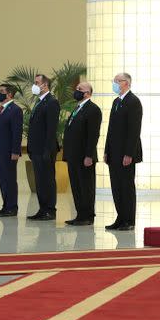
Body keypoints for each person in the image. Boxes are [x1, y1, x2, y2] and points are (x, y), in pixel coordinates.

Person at [104, 73, 143, 231]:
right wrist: (107, 150)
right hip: (114, 152)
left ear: (126, 83)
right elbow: (111, 129)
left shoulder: (133, 102)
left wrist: (129, 154)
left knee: (126, 187)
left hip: (126, 153)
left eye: (116, 81)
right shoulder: (116, 102)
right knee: (116, 186)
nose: (114, 83)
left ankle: (129, 220)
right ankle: (120, 217)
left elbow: (134, 130)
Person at [62, 81, 102, 226]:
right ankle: (80, 214)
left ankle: (88, 216)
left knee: (86, 187)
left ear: (88, 93)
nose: (77, 90)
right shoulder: (77, 108)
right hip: (73, 155)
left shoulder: (93, 109)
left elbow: (93, 135)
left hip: (84, 156)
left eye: (80, 89)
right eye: (76, 88)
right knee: (76, 186)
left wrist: (89, 155)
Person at [27, 73, 59, 221]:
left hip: (45, 150)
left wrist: (48, 150)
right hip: (36, 149)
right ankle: (42, 208)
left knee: (47, 180)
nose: (34, 85)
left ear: (45, 85)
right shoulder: (39, 102)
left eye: (37, 82)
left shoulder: (51, 102)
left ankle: (50, 210)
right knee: (39, 180)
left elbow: (51, 129)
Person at [0, 84, 22, 217]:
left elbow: (16, 133)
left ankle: (11, 207)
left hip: (8, 152)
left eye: (2, 91)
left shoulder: (15, 110)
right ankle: (5, 205)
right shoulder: (1, 109)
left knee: (9, 180)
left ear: (9, 94)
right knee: (2, 179)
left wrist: (15, 151)